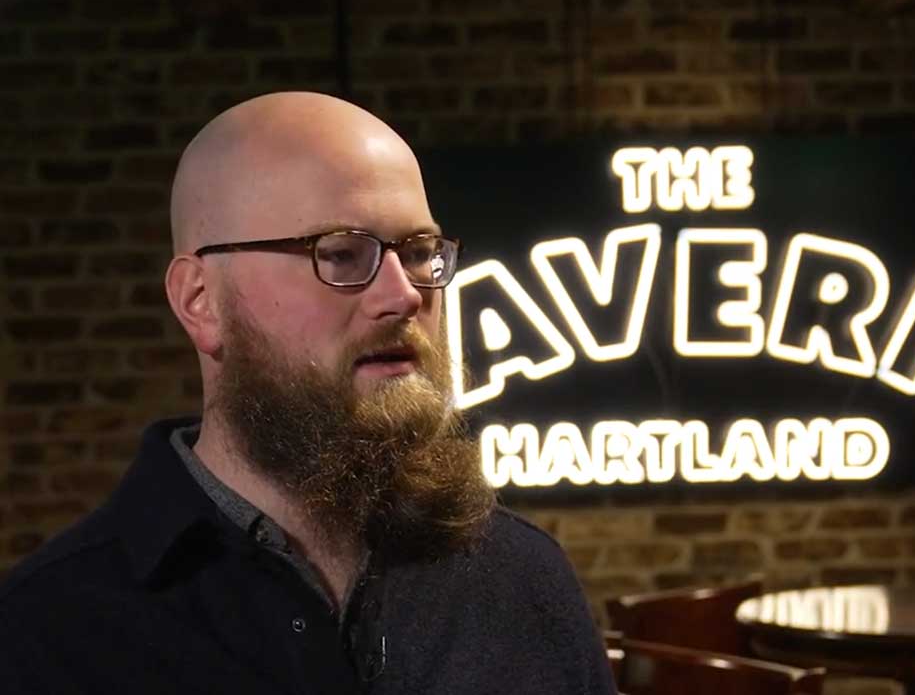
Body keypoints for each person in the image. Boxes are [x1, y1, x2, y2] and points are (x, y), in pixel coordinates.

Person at [0, 91, 617, 695]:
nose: (404, 295)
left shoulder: (522, 579)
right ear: (201, 302)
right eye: (343, 254)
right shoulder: (49, 629)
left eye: (421, 253)